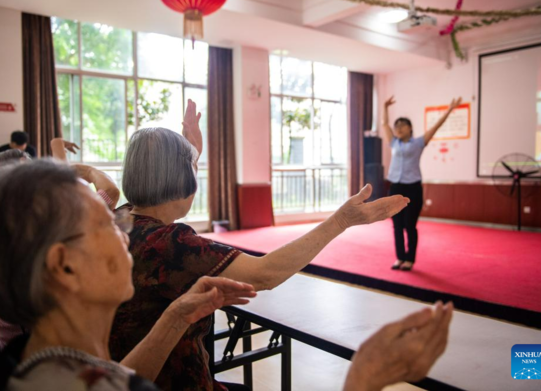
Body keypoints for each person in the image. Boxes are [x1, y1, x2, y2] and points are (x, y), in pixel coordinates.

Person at [109, 100, 412, 390]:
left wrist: (191, 152)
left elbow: (162, 180)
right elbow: (265, 273)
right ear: (182, 178)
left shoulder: (118, 221)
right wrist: (340, 221)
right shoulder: (172, 244)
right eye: (191, 168)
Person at [0, 160, 257, 390]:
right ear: (65, 266)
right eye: (108, 225)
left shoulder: (27, 362)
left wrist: (175, 318)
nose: (126, 237)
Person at [382, 96, 462, 271]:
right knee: (396, 226)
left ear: (410, 128)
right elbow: (385, 125)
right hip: (395, 187)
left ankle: (410, 259)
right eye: (397, 126)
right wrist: (385, 107)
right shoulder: (393, 142)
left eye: (402, 125)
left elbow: (436, 127)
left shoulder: (419, 143)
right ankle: (400, 258)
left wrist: (450, 109)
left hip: (412, 188)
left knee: (410, 225)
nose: (398, 128)